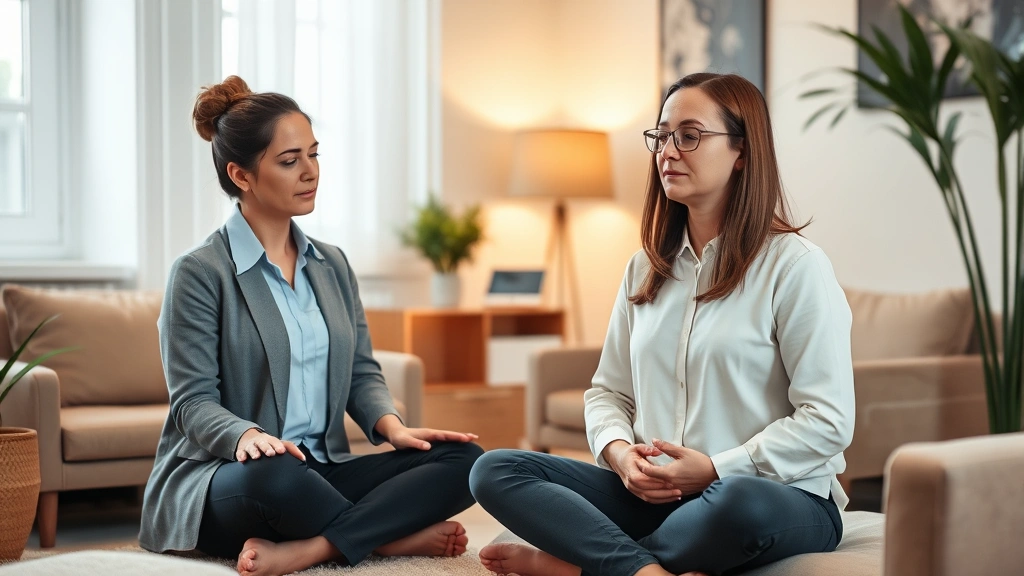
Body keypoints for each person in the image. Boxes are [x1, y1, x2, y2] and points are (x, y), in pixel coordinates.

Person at [469, 72, 854, 576]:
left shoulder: (796, 266)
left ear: (742, 151)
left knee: (737, 503)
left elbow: (828, 420)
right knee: (495, 469)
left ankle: (580, 565)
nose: (667, 152)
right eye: (662, 136)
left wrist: (714, 469)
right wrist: (620, 455)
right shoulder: (645, 268)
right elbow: (608, 392)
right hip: (658, 497)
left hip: (774, 496)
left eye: (689, 136)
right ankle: (641, 567)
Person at [139, 76, 484, 576]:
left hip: (321, 473)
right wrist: (244, 436)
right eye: (289, 161)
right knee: (278, 475)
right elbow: (191, 402)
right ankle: (386, 538)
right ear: (241, 175)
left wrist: (393, 427)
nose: (310, 172)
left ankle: (315, 548)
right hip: (233, 476)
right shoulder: (199, 272)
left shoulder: (332, 264)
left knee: (466, 459)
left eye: (314, 154)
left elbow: (361, 369)